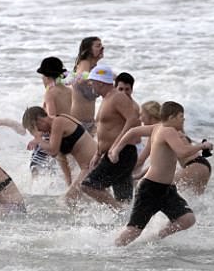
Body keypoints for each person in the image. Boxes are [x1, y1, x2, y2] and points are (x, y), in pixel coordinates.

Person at [110, 102, 211, 246]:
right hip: (150, 189)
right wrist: (202, 146)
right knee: (134, 230)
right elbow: (182, 152)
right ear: (171, 117)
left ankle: (154, 240)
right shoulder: (167, 131)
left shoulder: (158, 128)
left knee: (187, 219)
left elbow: (132, 131)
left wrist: (116, 149)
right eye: (181, 116)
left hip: (166, 190)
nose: (183, 119)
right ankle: (113, 249)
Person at [80, 64, 141, 204]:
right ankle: (124, 220)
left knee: (89, 185)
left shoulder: (118, 97)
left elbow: (133, 120)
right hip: (115, 153)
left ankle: (117, 212)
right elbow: (105, 129)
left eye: (92, 81)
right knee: (124, 199)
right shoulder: (106, 98)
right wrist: (98, 153)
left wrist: (117, 146)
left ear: (100, 83)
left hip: (121, 153)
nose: (91, 85)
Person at [23, 106, 105, 207]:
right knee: (78, 199)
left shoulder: (58, 122)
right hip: (88, 167)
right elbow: (62, 161)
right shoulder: (53, 132)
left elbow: (53, 151)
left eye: (35, 129)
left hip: (94, 164)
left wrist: (38, 139)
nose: (39, 132)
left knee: (68, 200)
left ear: (39, 120)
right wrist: (69, 184)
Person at [29, 56, 73, 185]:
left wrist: (38, 137)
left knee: (35, 163)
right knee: (63, 165)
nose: (42, 80)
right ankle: (67, 186)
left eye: (42, 76)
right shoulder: (68, 90)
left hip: (53, 133)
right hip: (67, 130)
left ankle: (35, 189)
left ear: (47, 77)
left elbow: (51, 118)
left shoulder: (50, 93)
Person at [67, 37, 103, 134]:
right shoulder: (84, 63)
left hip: (90, 122)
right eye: (98, 46)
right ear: (88, 50)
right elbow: (81, 78)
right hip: (78, 123)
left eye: (102, 45)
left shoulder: (95, 68)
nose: (102, 48)